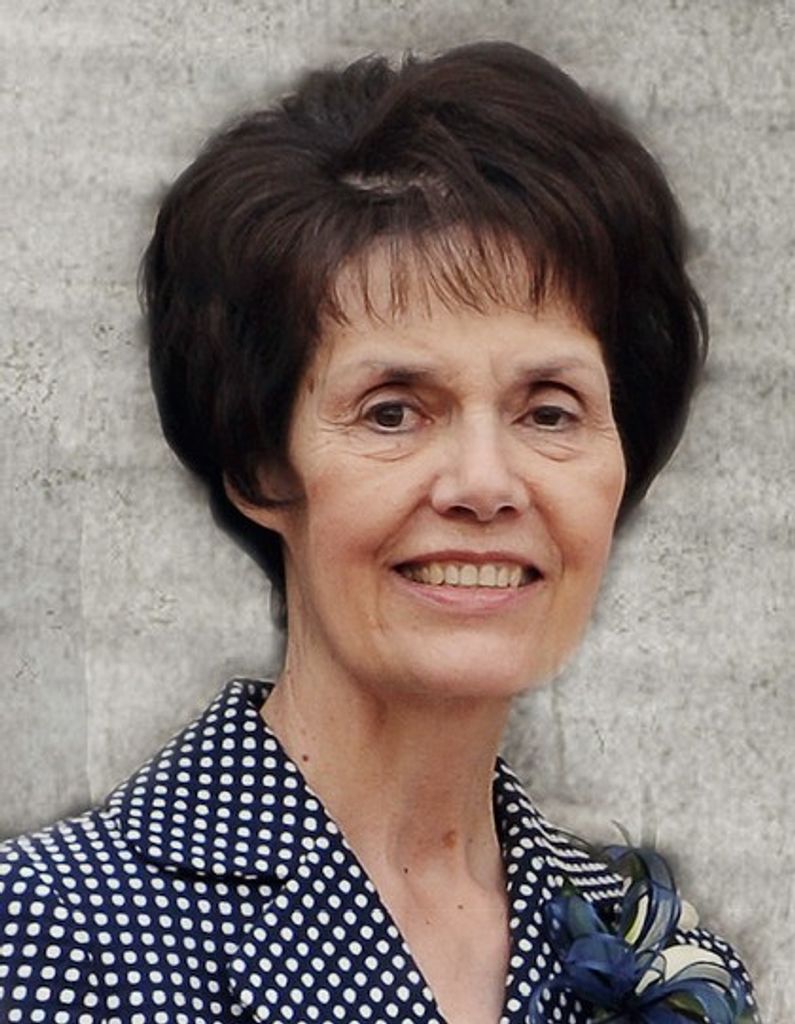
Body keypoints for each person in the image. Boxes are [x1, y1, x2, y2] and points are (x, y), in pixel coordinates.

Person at [0, 41, 759, 1024]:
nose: (485, 485)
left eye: (549, 411)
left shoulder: (652, 948)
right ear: (261, 464)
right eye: (393, 411)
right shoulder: (52, 934)